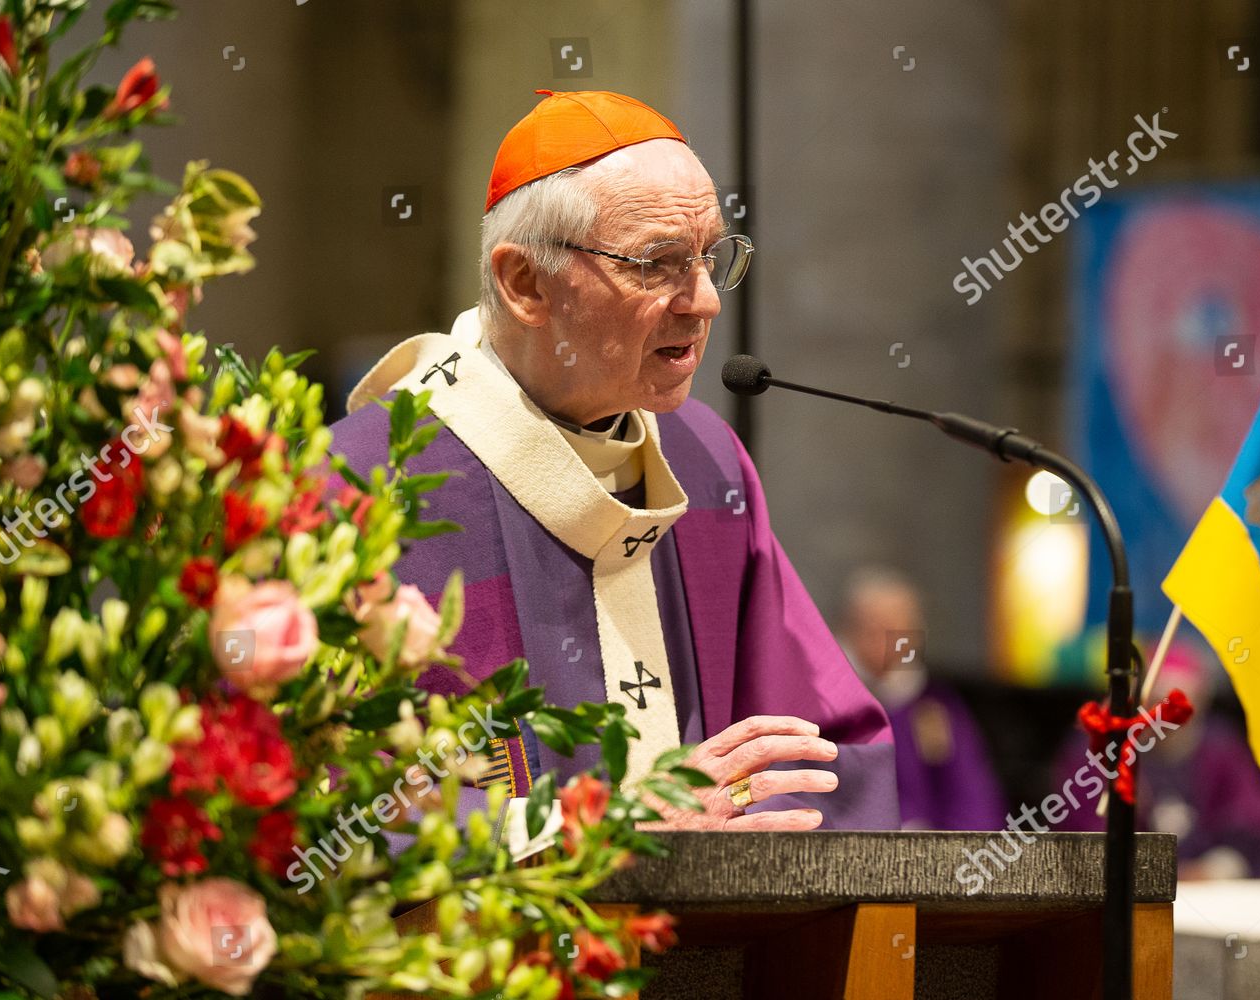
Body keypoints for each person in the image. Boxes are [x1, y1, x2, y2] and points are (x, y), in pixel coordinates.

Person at [327, 90, 898, 831]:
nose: (704, 303)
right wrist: (582, 831)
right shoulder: (369, 483)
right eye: (659, 264)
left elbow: (826, 751)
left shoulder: (706, 462)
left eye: (711, 258)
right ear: (525, 283)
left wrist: (738, 808)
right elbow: (321, 795)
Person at [1052, 641, 1260, 878]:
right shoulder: (1099, 750)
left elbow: (1255, 823)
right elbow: (1079, 837)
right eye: (1157, 704)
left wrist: (1219, 866)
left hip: (1210, 892)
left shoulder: (1222, 750)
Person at [837, 567, 1004, 830]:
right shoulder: (830, 703)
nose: (890, 642)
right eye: (876, 628)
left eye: (901, 630)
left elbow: (971, 797)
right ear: (851, 630)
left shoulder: (934, 707)